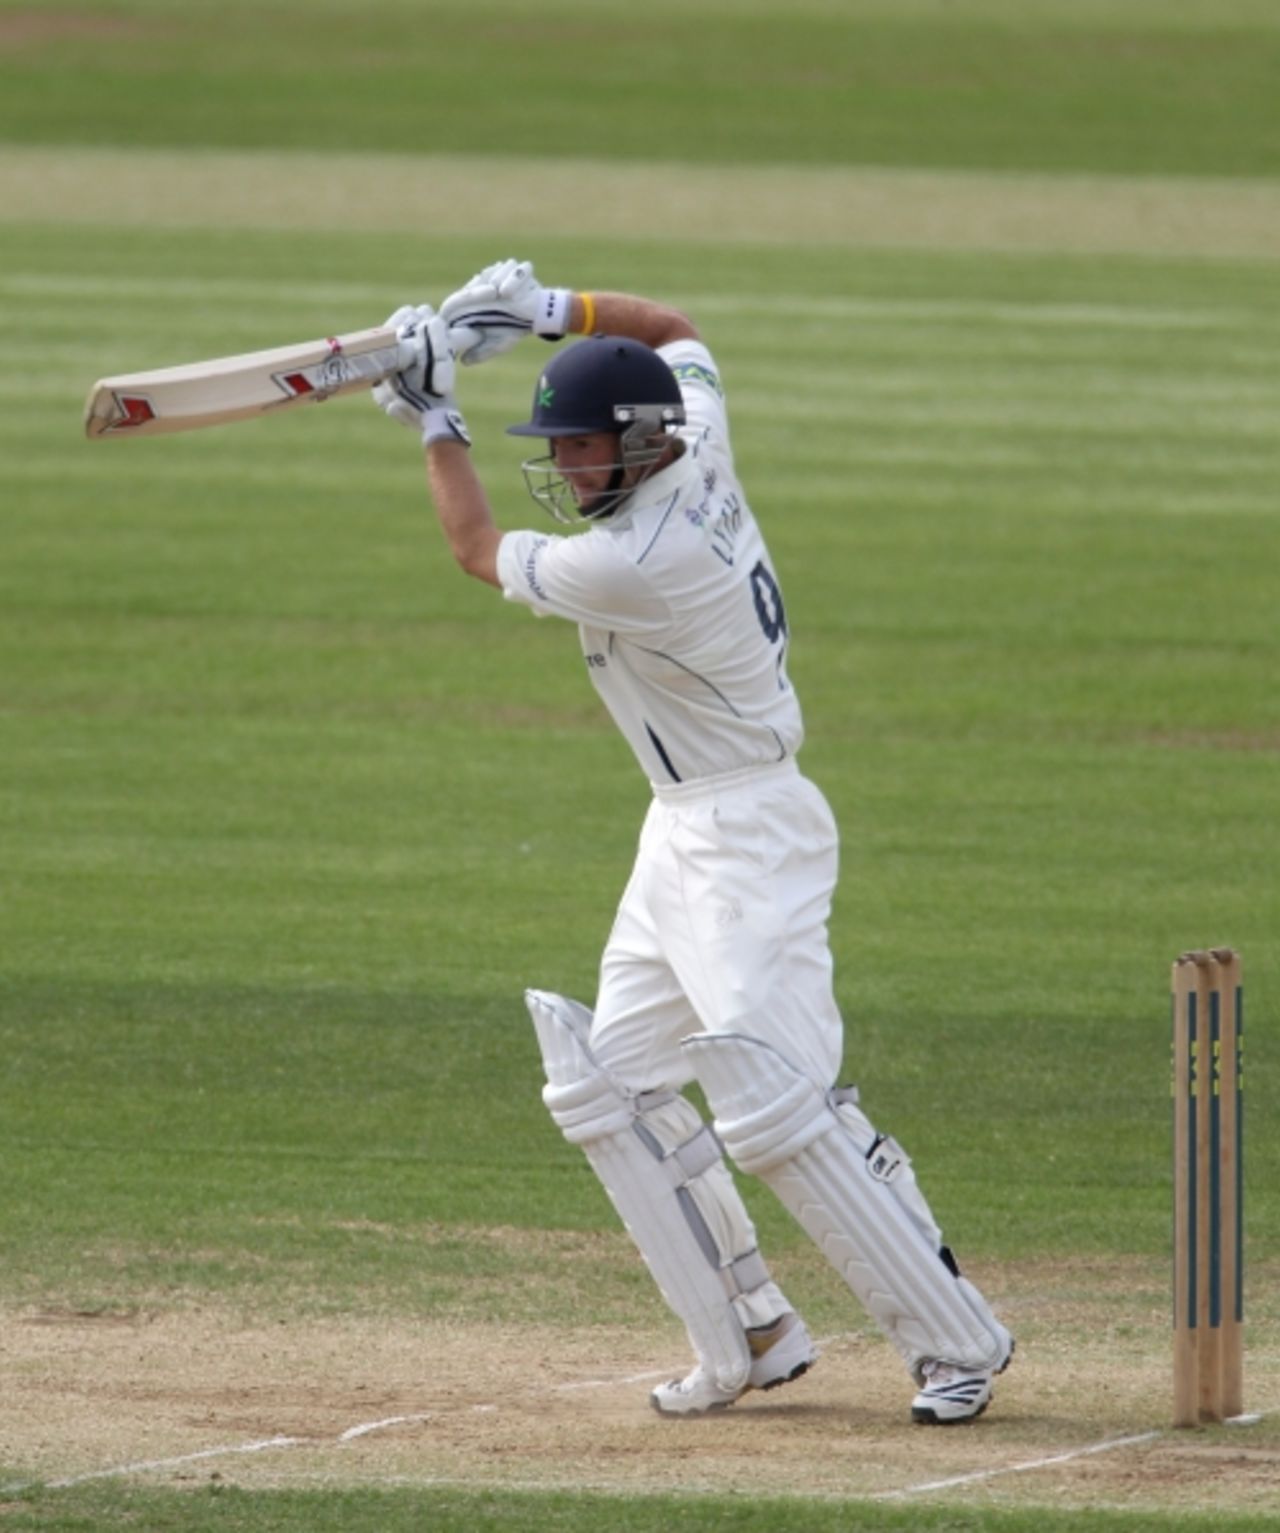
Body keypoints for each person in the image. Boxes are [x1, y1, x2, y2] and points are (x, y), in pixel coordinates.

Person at [371, 261, 1013, 1424]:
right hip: (681, 826)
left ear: (639, 440)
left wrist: (435, 417)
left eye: (578, 450)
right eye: (556, 449)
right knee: (607, 1084)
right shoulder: (694, 433)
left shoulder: (635, 561)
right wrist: (547, 311)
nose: (565, 470)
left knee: (779, 1110)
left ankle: (954, 1342)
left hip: (746, 834)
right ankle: (751, 1332)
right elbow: (672, 326)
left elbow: (474, 547)